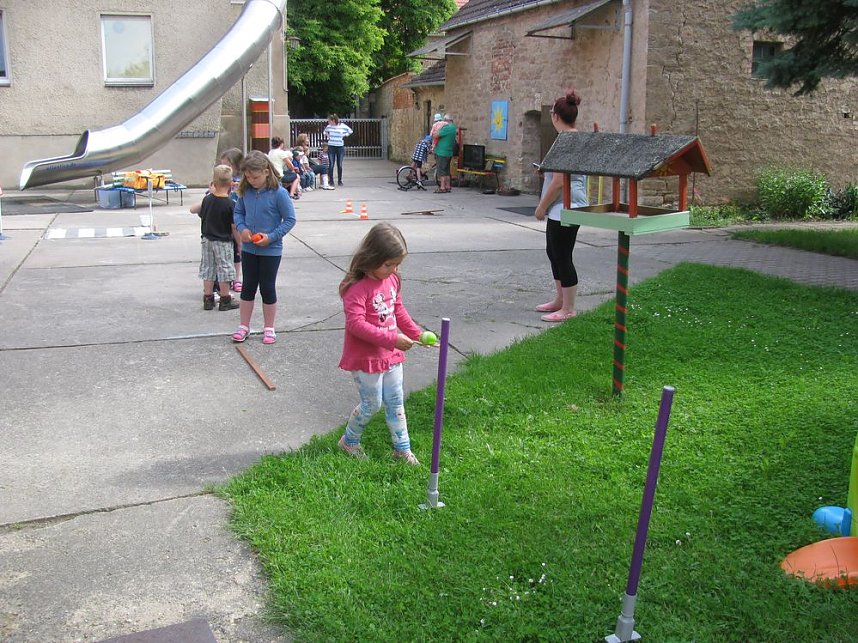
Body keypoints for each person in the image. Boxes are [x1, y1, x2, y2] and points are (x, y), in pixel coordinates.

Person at [337, 222, 427, 466]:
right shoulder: (356, 288)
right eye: (388, 264)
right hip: (366, 358)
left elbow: (398, 310)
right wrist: (392, 339)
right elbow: (355, 324)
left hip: (390, 355)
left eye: (397, 264)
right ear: (371, 257)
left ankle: (402, 449)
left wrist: (417, 334)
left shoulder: (392, 280)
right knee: (372, 404)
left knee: (396, 401)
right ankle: (349, 441)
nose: (393, 269)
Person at [533, 89, 589, 322]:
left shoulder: (566, 141)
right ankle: (560, 300)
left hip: (565, 207)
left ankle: (569, 308)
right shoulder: (575, 138)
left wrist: (541, 207)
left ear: (556, 116)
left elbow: (559, 181)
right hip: (564, 206)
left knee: (563, 256)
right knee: (554, 252)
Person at [231, 151, 297, 345]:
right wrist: (242, 229)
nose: (252, 180)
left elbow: (290, 220)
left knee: (267, 287)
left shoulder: (279, 193)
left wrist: (271, 237)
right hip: (249, 248)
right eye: (248, 177)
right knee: (248, 287)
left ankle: (269, 327)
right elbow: (238, 212)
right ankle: (244, 325)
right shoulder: (245, 192)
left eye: (255, 177)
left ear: (267, 172)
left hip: (271, 250)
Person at [190, 165, 240, 311]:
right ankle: (225, 299)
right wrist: (240, 243)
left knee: (208, 268)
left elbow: (195, 210)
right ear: (231, 185)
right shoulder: (231, 204)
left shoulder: (207, 200)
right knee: (224, 268)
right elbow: (234, 227)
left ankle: (208, 298)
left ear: (214, 183)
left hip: (206, 240)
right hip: (223, 241)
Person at [217, 148, 245, 293]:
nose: (225, 170)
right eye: (222, 166)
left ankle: (236, 278)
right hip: (222, 222)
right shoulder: (219, 182)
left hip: (236, 220)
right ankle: (223, 278)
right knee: (223, 252)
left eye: (227, 166)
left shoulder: (242, 182)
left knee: (237, 252)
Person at [323, 114, 353, 187]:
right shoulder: (329, 127)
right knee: (331, 164)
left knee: (339, 164)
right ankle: (331, 181)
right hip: (331, 146)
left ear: (333, 120)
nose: (328, 122)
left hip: (340, 147)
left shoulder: (342, 126)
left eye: (329, 121)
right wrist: (327, 135)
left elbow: (350, 131)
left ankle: (340, 180)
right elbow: (324, 131)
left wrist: (345, 135)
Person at [432, 114, 458, 194]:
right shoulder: (453, 128)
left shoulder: (447, 128)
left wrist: (436, 129)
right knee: (446, 170)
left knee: (441, 170)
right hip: (449, 152)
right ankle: (448, 186)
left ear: (446, 120)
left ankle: (442, 187)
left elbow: (435, 135)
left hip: (442, 152)